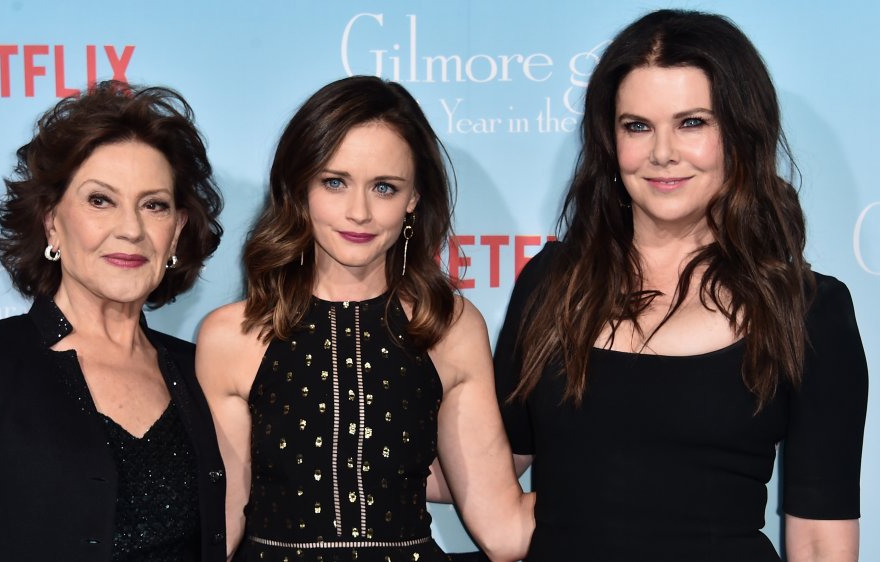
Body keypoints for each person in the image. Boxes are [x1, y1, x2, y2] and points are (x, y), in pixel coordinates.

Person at [494, 9, 868, 562]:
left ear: (740, 133)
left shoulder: (809, 310)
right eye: (637, 126)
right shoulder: (555, 281)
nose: (662, 152)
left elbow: (819, 541)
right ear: (609, 139)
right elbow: (486, 474)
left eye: (692, 122)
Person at [196, 75, 535, 562]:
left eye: (384, 187)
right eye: (335, 182)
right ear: (299, 187)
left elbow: (503, 530)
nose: (359, 212)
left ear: (413, 199)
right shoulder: (233, 335)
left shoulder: (450, 326)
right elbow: (220, 531)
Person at [0, 81, 228, 561]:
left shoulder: (203, 372)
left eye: (153, 205)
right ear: (52, 220)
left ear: (177, 229)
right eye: (100, 200)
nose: (131, 229)